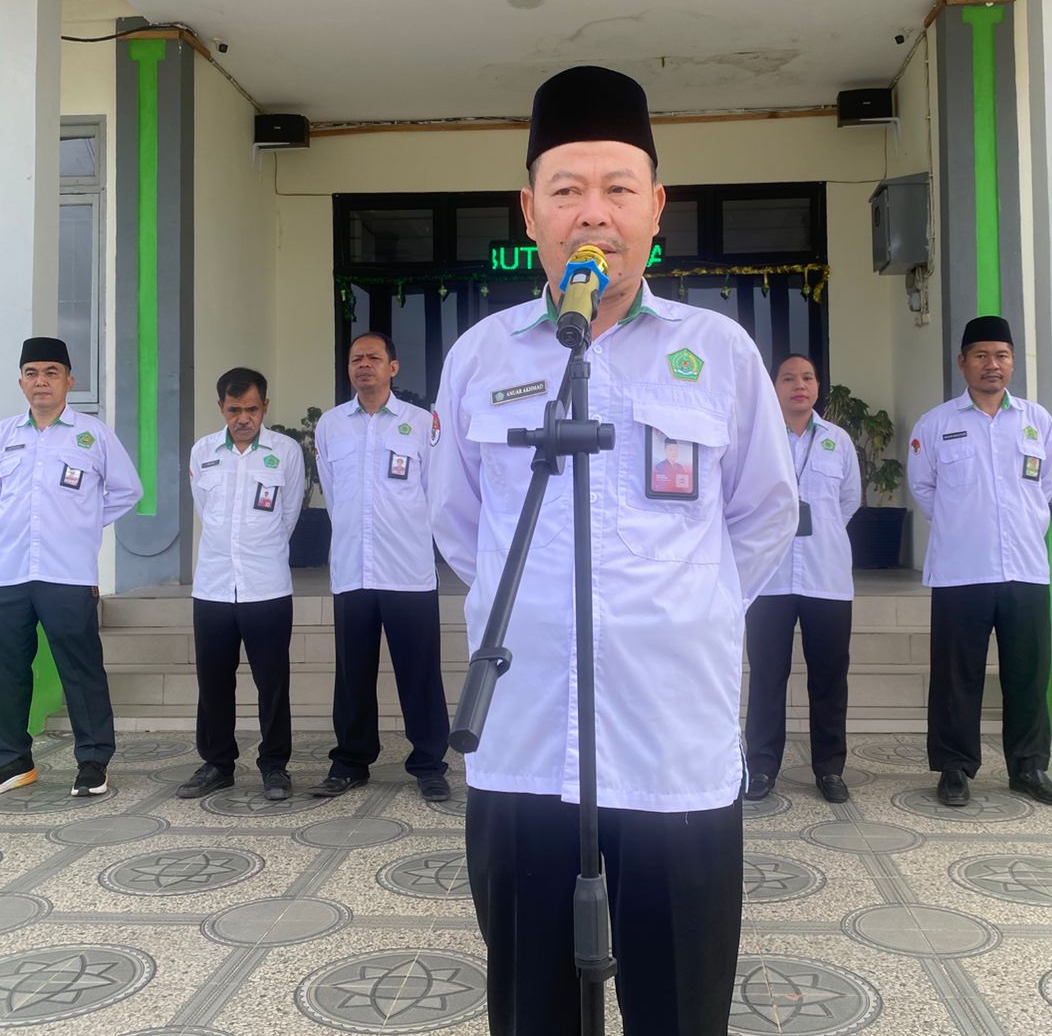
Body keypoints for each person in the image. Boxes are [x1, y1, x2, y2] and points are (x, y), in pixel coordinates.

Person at [430, 64, 798, 1033]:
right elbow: (460, 524)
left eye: (617, 189)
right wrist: (543, 612)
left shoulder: (719, 354)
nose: (592, 213)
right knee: (532, 1010)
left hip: (672, 743)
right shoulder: (481, 359)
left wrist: (681, 613)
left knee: (680, 1010)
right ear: (529, 212)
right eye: (566, 190)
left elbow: (764, 514)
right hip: (522, 746)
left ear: (656, 207)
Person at [907, 316, 1052, 809]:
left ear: (1013, 362)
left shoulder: (1036, 421)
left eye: (1001, 355)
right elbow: (923, 488)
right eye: (981, 355)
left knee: (1028, 674)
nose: (991, 365)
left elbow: (1045, 486)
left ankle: (1029, 767)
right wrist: (964, 524)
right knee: (956, 677)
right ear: (963, 363)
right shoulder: (937, 424)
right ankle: (954, 768)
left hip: (1025, 569)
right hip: (961, 569)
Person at [0, 337, 142, 798]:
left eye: (51, 372)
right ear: (21, 383)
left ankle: (92, 761)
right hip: (7, 572)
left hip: (67, 572)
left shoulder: (92, 435)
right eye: (32, 373)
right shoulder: (4, 435)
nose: (41, 381)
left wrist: (81, 524)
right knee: (4, 669)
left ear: (69, 381)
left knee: (80, 668)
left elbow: (127, 490)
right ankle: (10, 761)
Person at [309, 332, 452, 801]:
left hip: (407, 570)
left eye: (373, 357)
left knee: (420, 673)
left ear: (393, 367)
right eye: (356, 358)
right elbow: (333, 492)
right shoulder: (331, 425)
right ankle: (351, 762)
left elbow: (436, 492)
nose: (363, 365)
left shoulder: (420, 423)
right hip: (353, 569)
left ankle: (429, 763)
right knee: (352, 674)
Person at [178, 367, 304, 802]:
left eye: (251, 409)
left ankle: (275, 765)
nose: (243, 418)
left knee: (273, 682)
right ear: (221, 408)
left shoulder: (285, 452)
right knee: (213, 681)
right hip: (213, 586)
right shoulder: (203, 452)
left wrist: (259, 550)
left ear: (265, 406)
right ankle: (217, 763)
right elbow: (205, 512)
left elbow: (288, 516)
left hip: (266, 586)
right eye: (234, 410)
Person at [744, 354, 861, 804]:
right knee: (767, 676)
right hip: (768, 577)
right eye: (789, 378)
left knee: (829, 679)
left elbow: (848, 500)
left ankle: (830, 769)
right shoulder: (758, 438)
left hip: (825, 577)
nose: (799, 385)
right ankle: (761, 767)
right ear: (774, 387)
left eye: (808, 378)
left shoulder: (837, 441)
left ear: (817, 386)